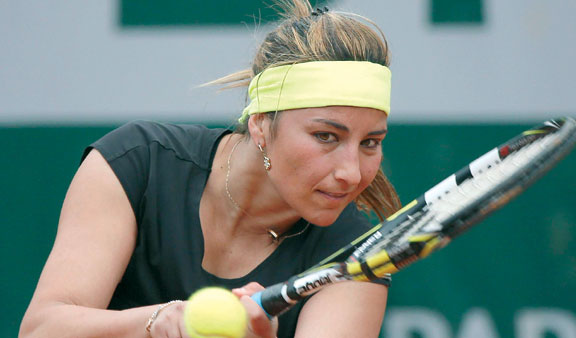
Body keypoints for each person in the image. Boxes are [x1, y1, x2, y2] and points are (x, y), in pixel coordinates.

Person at [19, 1, 401, 337]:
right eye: (326, 136)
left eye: (370, 142)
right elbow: (43, 330)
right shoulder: (136, 164)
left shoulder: (356, 254)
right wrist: (157, 322)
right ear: (261, 124)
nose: (351, 173)